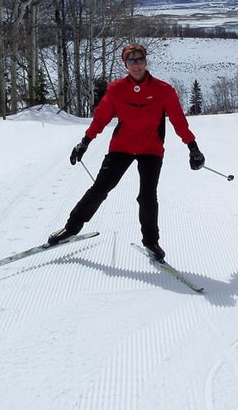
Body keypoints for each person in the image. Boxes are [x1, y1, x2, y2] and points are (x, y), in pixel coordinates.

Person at [46, 43, 205, 262]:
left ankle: (151, 242)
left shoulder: (163, 90)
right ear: (125, 64)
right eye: (132, 61)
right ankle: (70, 229)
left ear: (145, 61)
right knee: (99, 189)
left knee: (147, 197)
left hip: (151, 150)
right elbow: (101, 118)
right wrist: (85, 142)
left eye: (140, 60)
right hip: (121, 148)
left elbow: (179, 121)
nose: (136, 65)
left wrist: (193, 148)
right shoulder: (116, 89)